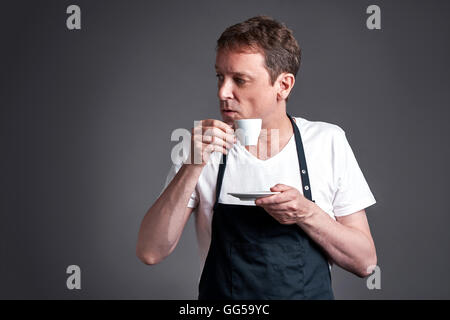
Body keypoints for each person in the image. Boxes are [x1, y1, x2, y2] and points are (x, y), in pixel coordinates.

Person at [137, 15, 377, 300]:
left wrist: (306, 213)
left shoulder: (326, 142)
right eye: (220, 77)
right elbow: (150, 252)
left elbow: (365, 263)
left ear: (283, 85)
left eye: (240, 79)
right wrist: (192, 166)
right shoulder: (202, 149)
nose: (223, 92)